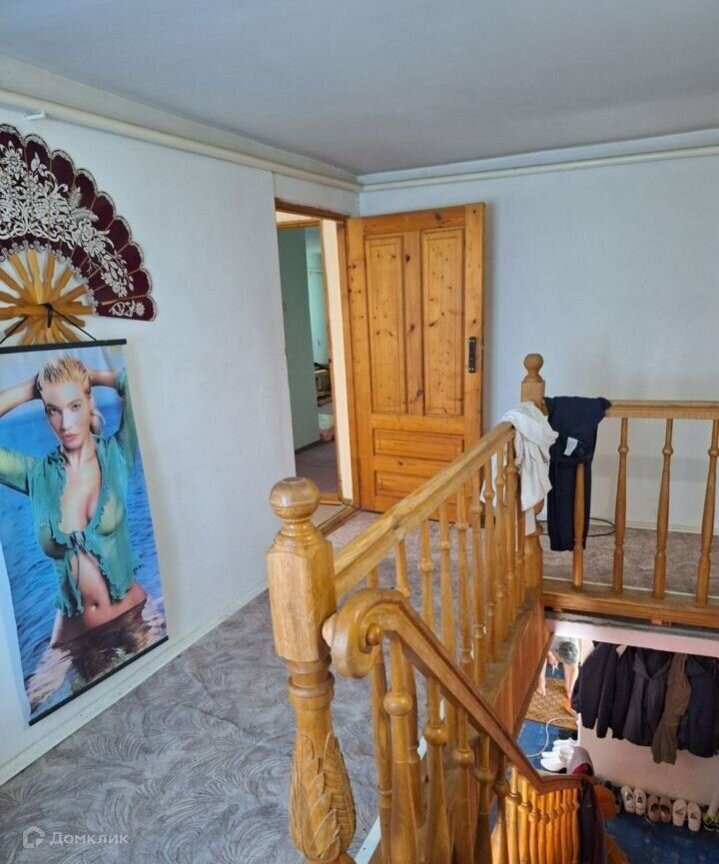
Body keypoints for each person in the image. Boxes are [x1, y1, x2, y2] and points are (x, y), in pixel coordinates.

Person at [0, 353, 147, 647]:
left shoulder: (118, 454)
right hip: (76, 640)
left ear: (90, 402)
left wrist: (91, 376)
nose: (65, 423)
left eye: (75, 406)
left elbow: (131, 383)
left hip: (135, 617)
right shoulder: (36, 475)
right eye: (53, 410)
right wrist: (33, 388)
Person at [537, 635, 580, 715]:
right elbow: (541, 649)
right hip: (544, 638)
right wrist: (550, 655)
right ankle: (541, 685)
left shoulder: (575, 649)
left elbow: (574, 669)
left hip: (564, 639)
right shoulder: (550, 640)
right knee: (541, 656)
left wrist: (570, 688)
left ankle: (568, 686)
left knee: (569, 685)